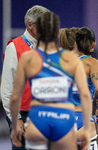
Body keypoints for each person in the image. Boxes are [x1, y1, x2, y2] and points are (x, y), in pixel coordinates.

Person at [9, 11, 92, 150]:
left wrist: (15, 127)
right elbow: (85, 95)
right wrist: (87, 129)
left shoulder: (28, 58)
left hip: (38, 120)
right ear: (58, 31)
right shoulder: (71, 59)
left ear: (38, 30)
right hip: (64, 119)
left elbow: (15, 97)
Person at [1, 5, 50, 150]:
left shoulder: (47, 47)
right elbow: (7, 88)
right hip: (22, 113)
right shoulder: (14, 47)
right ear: (30, 25)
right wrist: (16, 119)